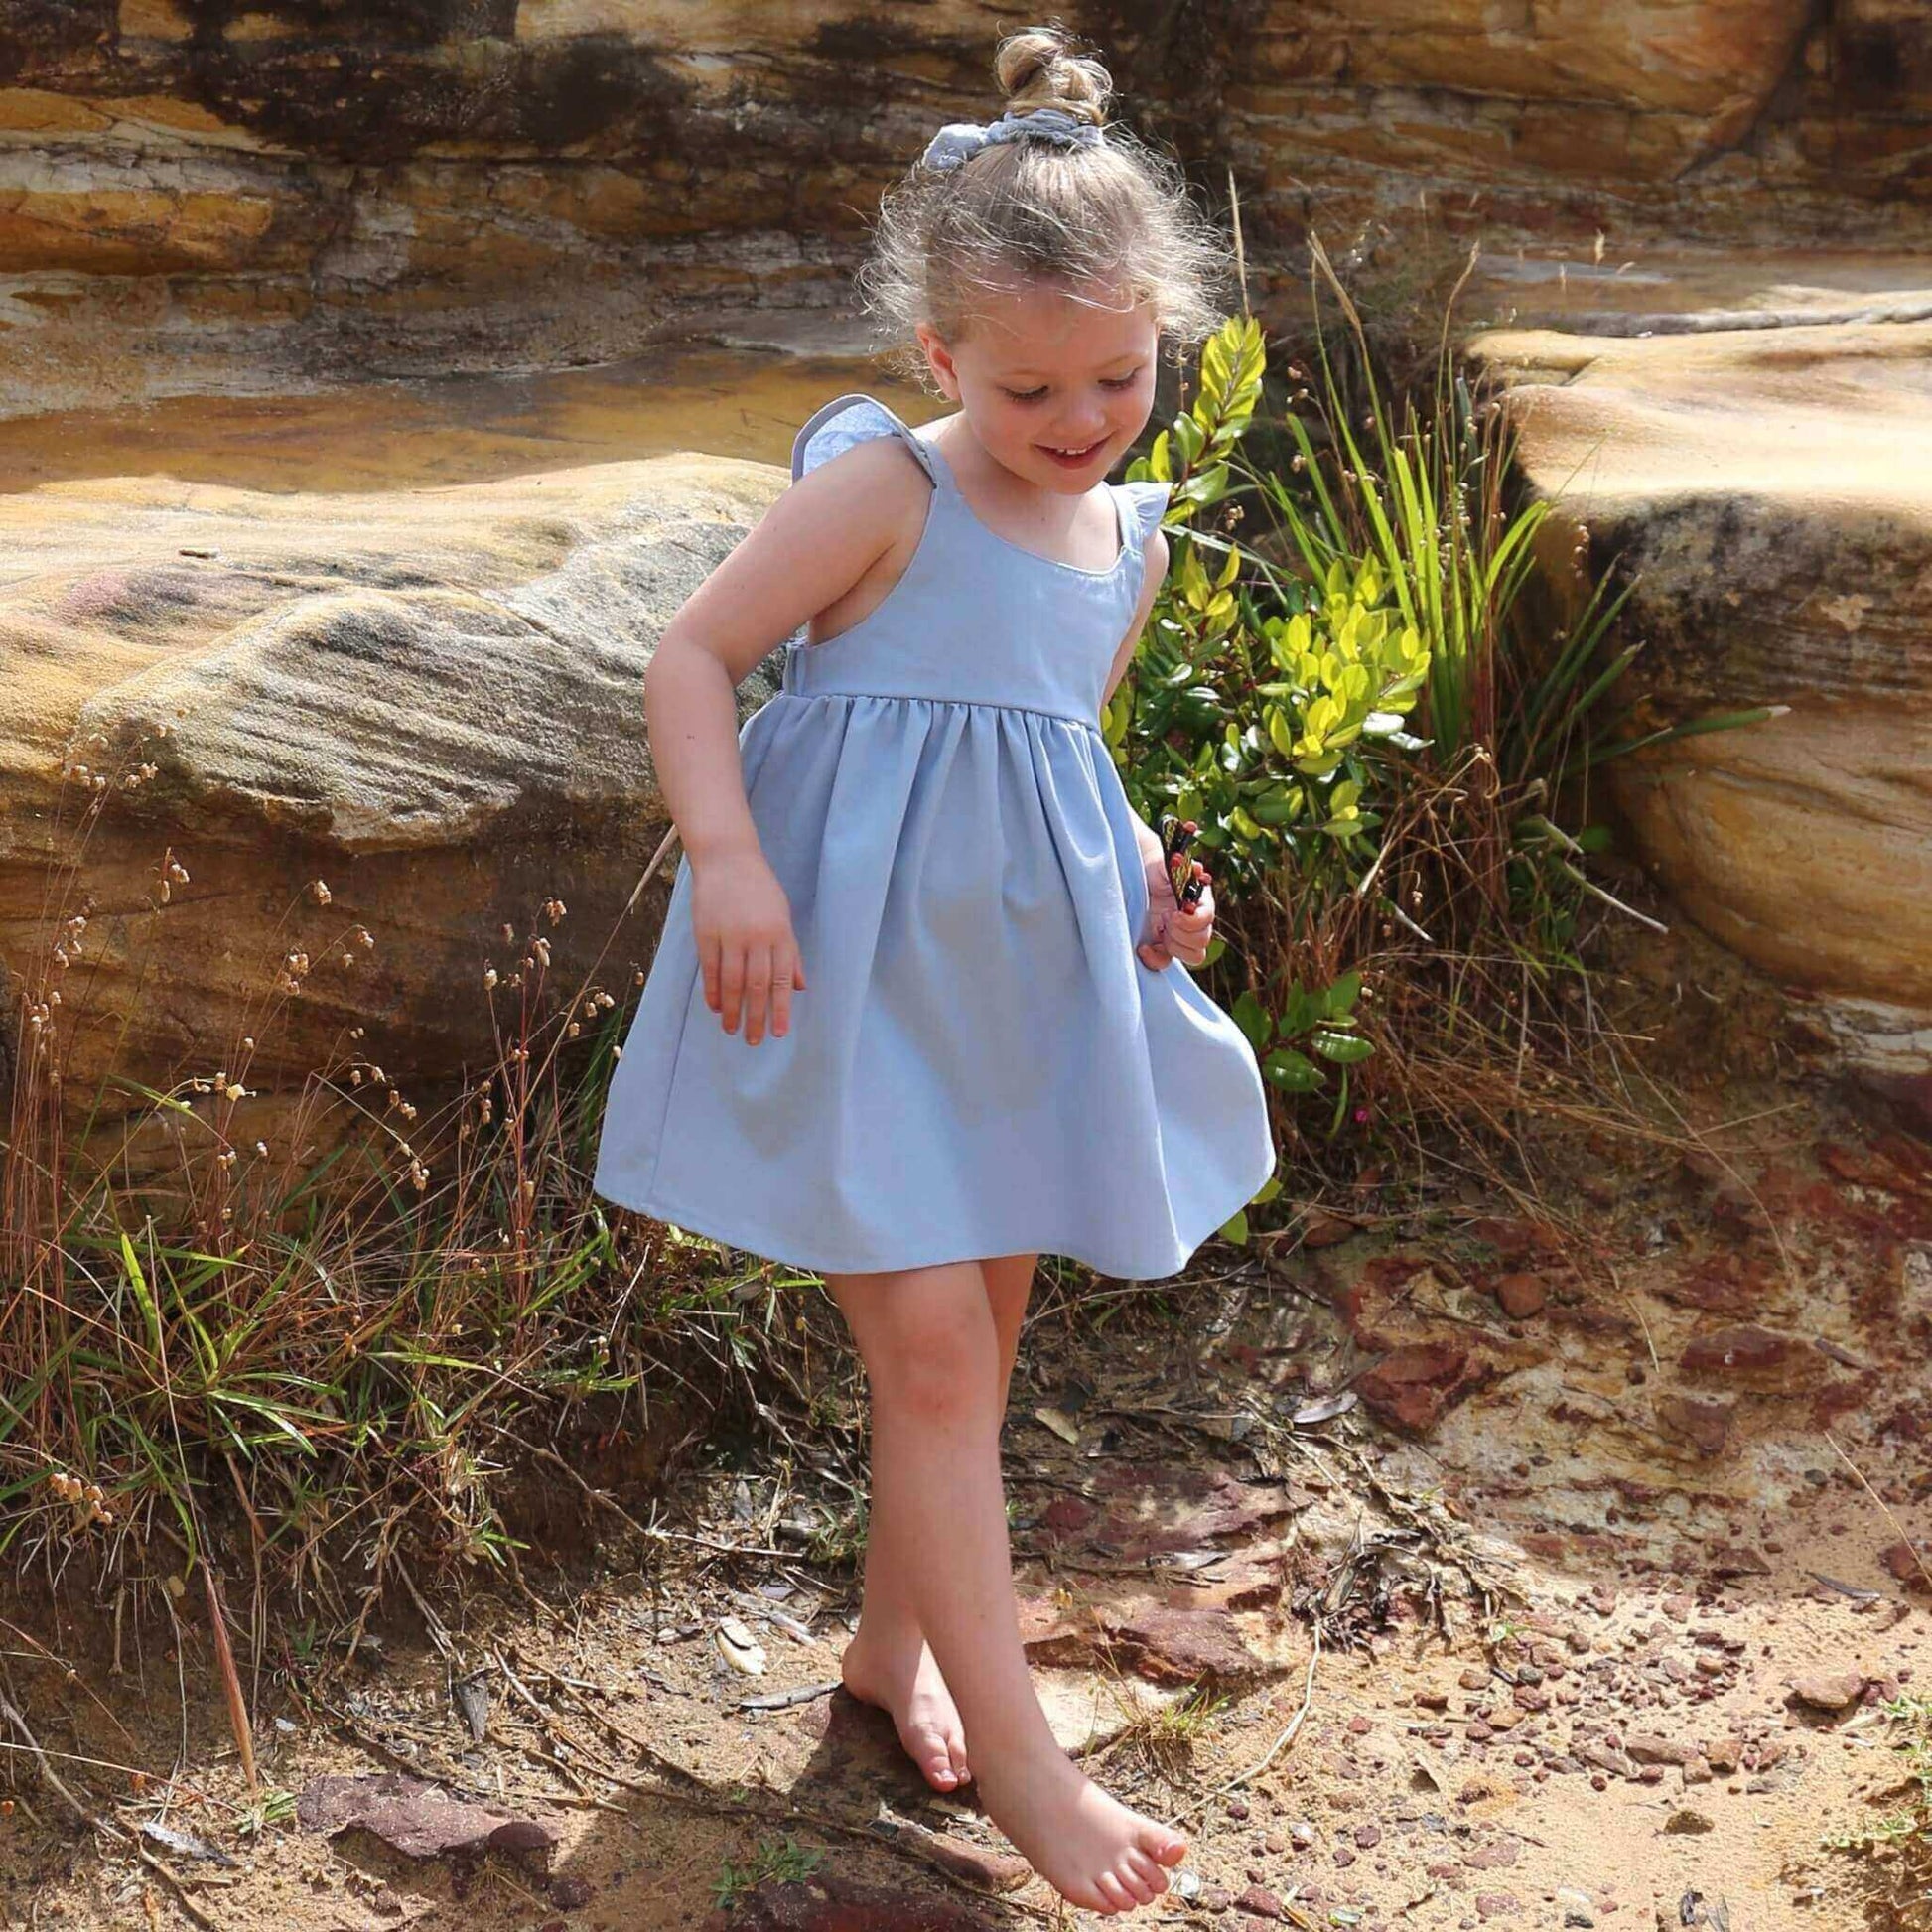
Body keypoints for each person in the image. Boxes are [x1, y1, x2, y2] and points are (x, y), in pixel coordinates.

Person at [592, 24, 1274, 1916]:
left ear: (1164, 339)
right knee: (936, 1348)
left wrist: (1150, 880)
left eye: (1120, 375)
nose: (1079, 418)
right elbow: (689, 659)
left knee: (979, 1333)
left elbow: (1063, 744)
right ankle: (1033, 1766)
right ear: (937, 358)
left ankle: (891, 1665)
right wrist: (726, 862)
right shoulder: (884, 491)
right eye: (1032, 383)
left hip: (1012, 995)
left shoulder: (1116, 539)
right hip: (842, 978)